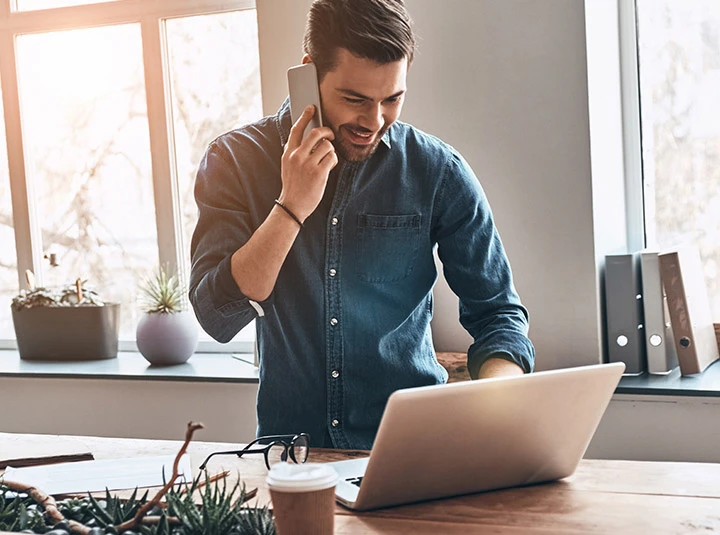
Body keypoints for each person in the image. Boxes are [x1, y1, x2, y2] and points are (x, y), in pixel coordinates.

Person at [189, 0, 535, 450]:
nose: (373, 122)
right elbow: (218, 314)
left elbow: (499, 314)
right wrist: (291, 205)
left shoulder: (438, 172)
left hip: (412, 450)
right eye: (355, 99)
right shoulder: (234, 160)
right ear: (309, 73)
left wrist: (499, 401)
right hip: (291, 457)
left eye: (392, 99)